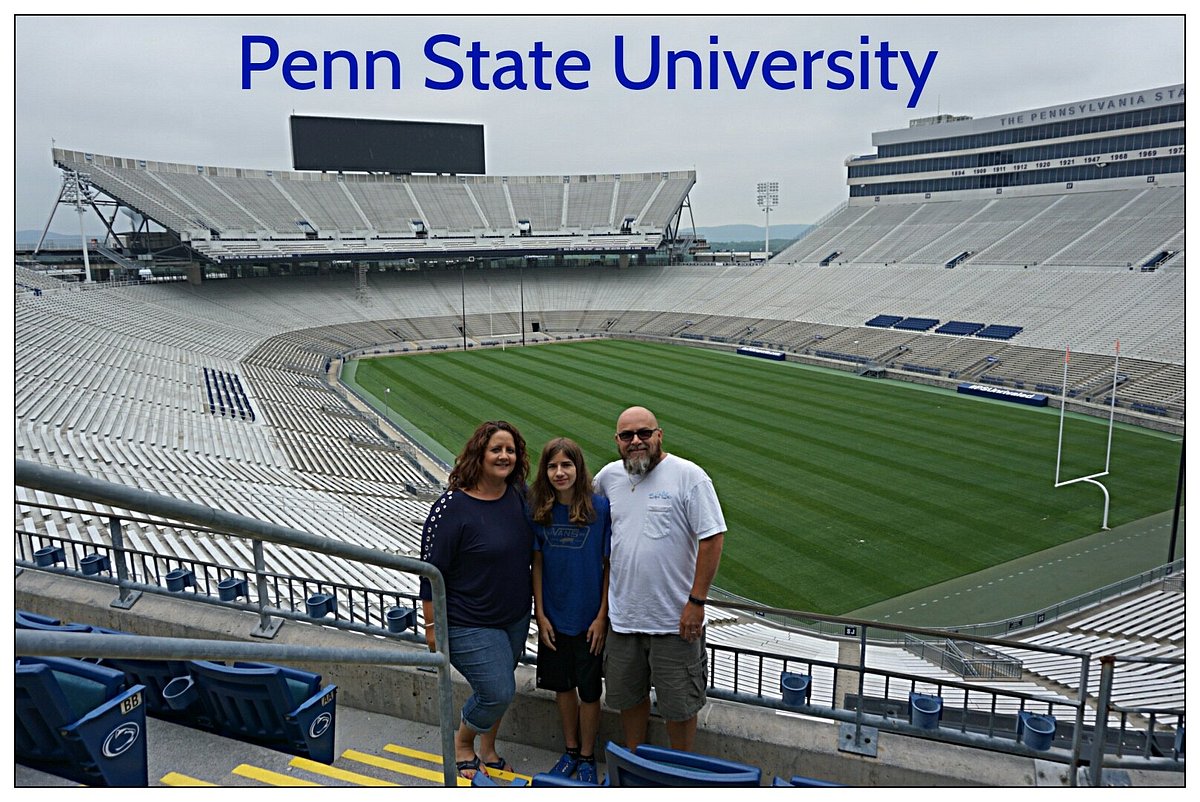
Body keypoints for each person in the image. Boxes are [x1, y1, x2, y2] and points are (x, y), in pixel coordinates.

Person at [593, 406, 726, 753]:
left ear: (659, 435)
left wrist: (696, 603)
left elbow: (712, 538)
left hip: (674, 622)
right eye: (627, 435)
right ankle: (637, 765)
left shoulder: (689, 476)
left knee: (680, 708)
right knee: (629, 699)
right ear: (617, 441)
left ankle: (678, 773)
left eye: (644, 433)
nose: (636, 441)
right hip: (623, 622)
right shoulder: (608, 478)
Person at [419, 420, 533, 781]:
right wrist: (431, 625)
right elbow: (430, 572)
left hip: (513, 615)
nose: (504, 456)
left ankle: (488, 748)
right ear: (479, 454)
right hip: (468, 620)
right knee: (497, 690)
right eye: (496, 449)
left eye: (510, 450)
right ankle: (464, 744)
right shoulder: (451, 507)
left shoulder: (517, 494)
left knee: (502, 682)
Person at [529, 437, 612, 784]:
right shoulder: (540, 510)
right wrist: (541, 614)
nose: (559, 472)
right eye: (552, 466)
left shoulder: (600, 508)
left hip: (589, 620)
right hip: (555, 619)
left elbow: (609, 566)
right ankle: (571, 750)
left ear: (578, 468)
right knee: (564, 689)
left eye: (566, 465)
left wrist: (601, 617)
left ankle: (588, 755)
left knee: (590, 692)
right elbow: (537, 564)